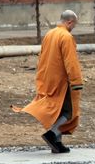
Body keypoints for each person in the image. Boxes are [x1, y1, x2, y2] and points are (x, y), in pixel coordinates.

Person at [17, 10, 84, 153]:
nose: (73, 28)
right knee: (70, 112)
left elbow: (42, 57)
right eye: (74, 25)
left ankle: (57, 145)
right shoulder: (66, 37)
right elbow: (70, 62)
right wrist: (76, 81)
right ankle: (52, 134)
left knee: (57, 112)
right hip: (63, 82)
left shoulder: (49, 34)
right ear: (70, 22)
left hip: (49, 78)